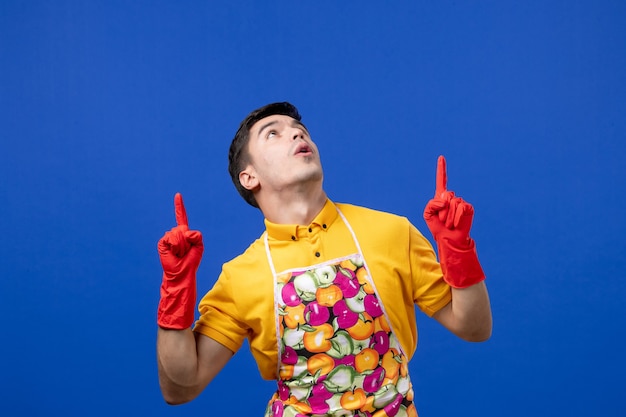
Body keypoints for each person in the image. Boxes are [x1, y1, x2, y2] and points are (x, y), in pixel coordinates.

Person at [156, 102, 492, 416]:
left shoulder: (392, 232)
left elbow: (474, 328)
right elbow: (181, 387)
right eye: (273, 133)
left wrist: (457, 247)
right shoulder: (241, 275)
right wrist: (176, 287)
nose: (297, 133)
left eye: (299, 128)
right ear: (249, 177)